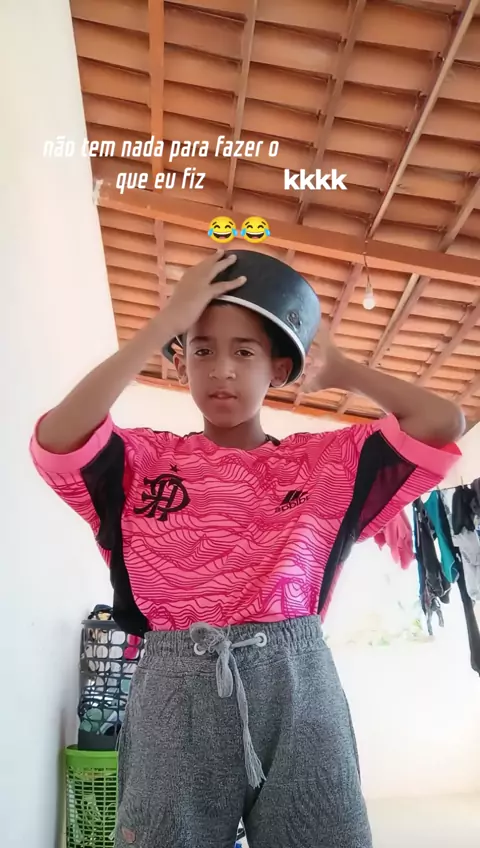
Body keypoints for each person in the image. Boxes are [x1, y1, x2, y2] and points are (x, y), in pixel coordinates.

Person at [30, 249, 463, 848]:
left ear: (278, 368)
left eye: (244, 352)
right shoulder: (144, 461)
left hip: (298, 686)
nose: (222, 371)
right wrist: (164, 323)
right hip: (174, 687)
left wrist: (345, 369)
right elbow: (57, 437)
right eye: (202, 351)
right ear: (180, 364)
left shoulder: (323, 466)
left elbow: (443, 421)